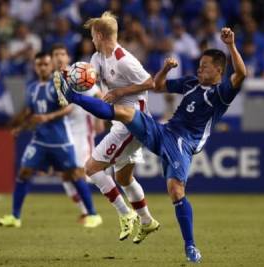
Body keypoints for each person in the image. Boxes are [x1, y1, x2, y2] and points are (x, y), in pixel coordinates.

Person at [54, 27, 247, 262]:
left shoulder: (222, 93)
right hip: (164, 130)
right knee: (125, 113)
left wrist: (231, 45)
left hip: (183, 143)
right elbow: (157, 85)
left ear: (218, 70)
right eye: (200, 64)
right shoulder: (191, 83)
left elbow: (241, 74)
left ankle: (190, 246)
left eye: (205, 66)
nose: (199, 68)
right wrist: (165, 69)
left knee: (176, 191)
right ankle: (72, 96)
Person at [57, 11, 160, 243]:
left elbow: (150, 82)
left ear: (101, 35)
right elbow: (90, 86)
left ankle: (126, 215)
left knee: (91, 169)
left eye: (93, 35)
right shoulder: (96, 58)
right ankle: (147, 221)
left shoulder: (124, 59)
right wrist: (70, 77)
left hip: (133, 123)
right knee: (124, 179)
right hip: (120, 120)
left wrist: (120, 92)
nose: (91, 39)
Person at [0, 51, 102, 229]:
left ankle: (93, 214)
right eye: (39, 64)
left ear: (51, 65)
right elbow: (31, 113)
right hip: (39, 140)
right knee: (24, 172)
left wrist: (48, 117)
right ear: (35, 67)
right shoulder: (32, 88)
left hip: (61, 140)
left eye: (46, 64)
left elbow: (68, 108)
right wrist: (20, 128)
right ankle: (15, 217)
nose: (42, 67)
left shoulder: (58, 84)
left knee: (74, 174)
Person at [51, 43, 105, 225]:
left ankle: (92, 214)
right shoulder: (50, 79)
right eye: (56, 54)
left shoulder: (76, 73)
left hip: (81, 133)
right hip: (61, 134)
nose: (59, 57)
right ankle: (85, 211)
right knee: (64, 175)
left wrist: (99, 118)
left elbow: (98, 94)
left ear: (67, 57)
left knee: (78, 173)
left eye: (62, 53)